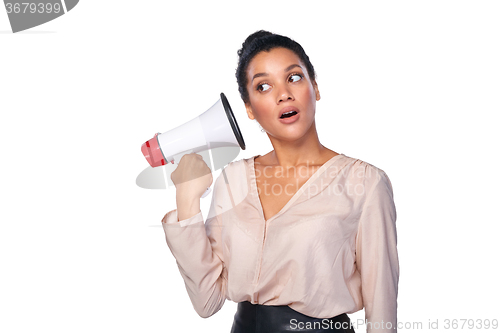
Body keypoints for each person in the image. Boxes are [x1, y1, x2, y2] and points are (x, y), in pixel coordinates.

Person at [162, 30, 399, 333]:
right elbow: (207, 301)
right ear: (249, 109)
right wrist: (187, 199)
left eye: (294, 78)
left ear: (315, 87)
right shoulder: (234, 180)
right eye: (263, 86)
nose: (283, 94)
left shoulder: (364, 183)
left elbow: (382, 308)